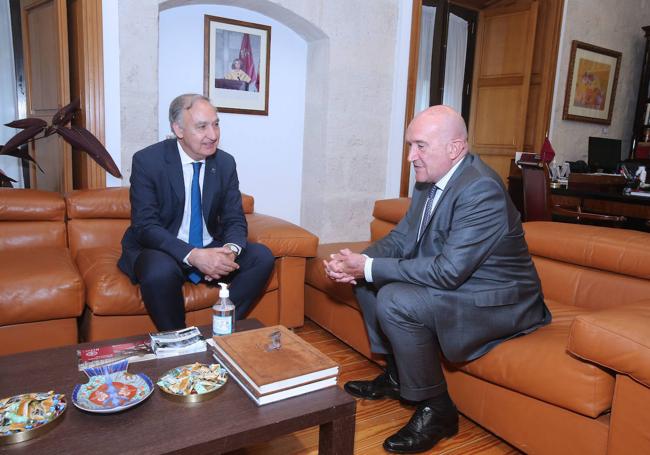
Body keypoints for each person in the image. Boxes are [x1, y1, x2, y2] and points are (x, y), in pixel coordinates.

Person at [324, 105, 551, 454]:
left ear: (455, 148)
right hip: (463, 284)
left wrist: (367, 267)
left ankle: (438, 408)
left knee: (394, 297)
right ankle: (399, 375)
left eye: (420, 146)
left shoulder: (481, 190)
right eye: (409, 146)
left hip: (499, 300)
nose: (411, 156)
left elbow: (448, 271)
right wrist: (358, 262)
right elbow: (402, 240)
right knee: (369, 281)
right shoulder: (429, 180)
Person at [118, 93, 274, 331]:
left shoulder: (224, 163)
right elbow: (145, 226)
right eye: (202, 127)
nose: (213, 135)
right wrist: (194, 256)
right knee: (158, 270)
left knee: (261, 257)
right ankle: (179, 340)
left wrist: (230, 252)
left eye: (216, 124)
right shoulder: (148, 161)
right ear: (178, 129)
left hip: (209, 245)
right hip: (165, 250)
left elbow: (234, 218)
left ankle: (220, 332)